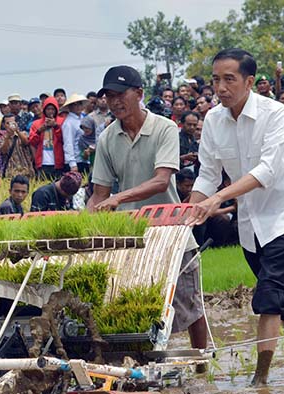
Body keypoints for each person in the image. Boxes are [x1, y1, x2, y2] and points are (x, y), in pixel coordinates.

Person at [186, 49, 284, 385]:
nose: (220, 87)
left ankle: (260, 380)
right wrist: (190, 210)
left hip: (283, 217)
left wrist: (218, 198)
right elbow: (207, 174)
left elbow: (267, 171)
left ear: (249, 82)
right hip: (249, 224)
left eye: (229, 79)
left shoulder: (273, 112)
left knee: (269, 297)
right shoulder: (214, 121)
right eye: (216, 79)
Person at [87, 65, 209, 356]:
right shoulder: (106, 138)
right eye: (109, 96)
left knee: (189, 302)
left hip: (171, 230)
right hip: (131, 235)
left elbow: (161, 180)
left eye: (120, 95)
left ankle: (202, 362)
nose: (115, 102)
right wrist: (86, 221)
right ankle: (147, 357)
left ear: (139, 93)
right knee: (134, 301)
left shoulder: (164, 128)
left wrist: (118, 199)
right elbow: (99, 194)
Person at [28, 97, 64, 180]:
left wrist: (55, 126)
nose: (50, 111)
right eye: (48, 109)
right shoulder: (36, 124)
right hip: (42, 162)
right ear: (44, 110)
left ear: (56, 109)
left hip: (58, 162)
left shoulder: (62, 122)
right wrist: (40, 130)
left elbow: (64, 139)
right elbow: (32, 141)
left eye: (52, 109)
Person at [60, 94, 88, 173]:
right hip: (76, 161)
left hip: (84, 158)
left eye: (79, 103)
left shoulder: (83, 119)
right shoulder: (68, 123)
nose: (78, 106)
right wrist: (72, 164)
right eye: (75, 105)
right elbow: (68, 143)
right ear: (70, 107)